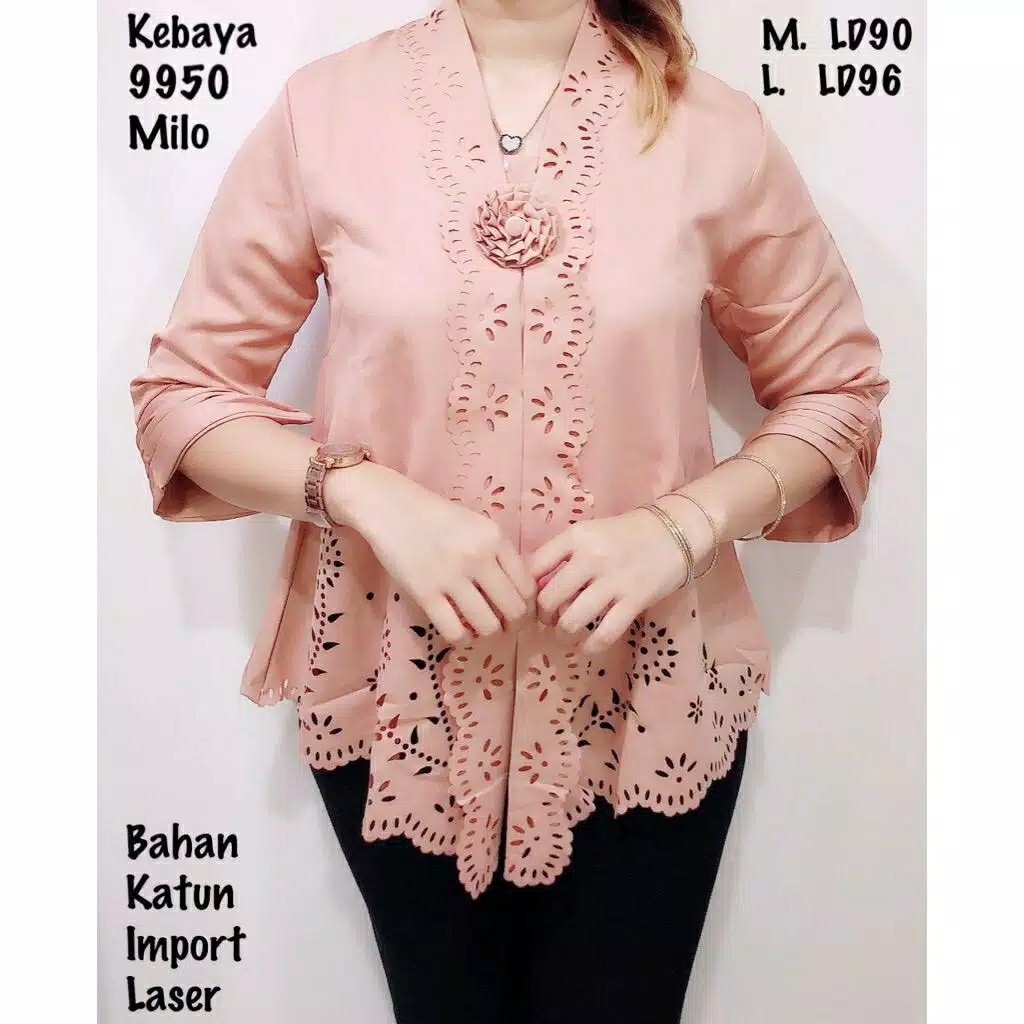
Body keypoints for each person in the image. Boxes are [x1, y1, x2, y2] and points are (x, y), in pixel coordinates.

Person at [129, 1, 890, 1021]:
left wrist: (683, 525)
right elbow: (184, 396)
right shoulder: (327, 112)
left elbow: (839, 389)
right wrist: (360, 491)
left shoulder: (713, 129)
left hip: (647, 698)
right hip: (394, 694)